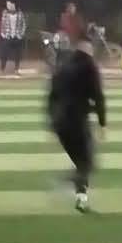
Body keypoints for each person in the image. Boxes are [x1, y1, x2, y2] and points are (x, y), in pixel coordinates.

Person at [47, 37, 106, 213]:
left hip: (60, 123)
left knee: (81, 162)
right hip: (77, 122)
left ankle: (81, 199)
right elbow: (98, 96)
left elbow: (52, 96)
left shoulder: (62, 66)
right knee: (87, 163)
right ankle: (70, 178)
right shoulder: (89, 65)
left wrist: (52, 121)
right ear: (87, 47)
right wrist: (102, 123)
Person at [0, 0, 27, 74]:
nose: (10, 6)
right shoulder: (5, 13)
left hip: (17, 36)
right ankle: (2, 69)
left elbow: (24, 25)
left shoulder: (20, 13)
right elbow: (2, 24)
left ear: (14, 5)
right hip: (8, 36)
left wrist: (21, 35)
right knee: (4, 53)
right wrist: (3, 34)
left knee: (17, 54)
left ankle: (16, 69)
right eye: (9, 5)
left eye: (12, 5)